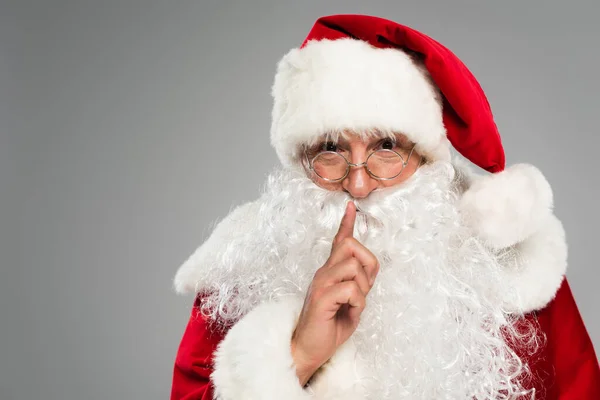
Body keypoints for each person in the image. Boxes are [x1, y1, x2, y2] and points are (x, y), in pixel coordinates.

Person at [170, 14, 600, 399]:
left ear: (428, 157)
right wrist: (297, 355)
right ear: (300, 161)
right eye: (330, 148)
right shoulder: (242, 269)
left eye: (388, 146)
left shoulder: (512, 270)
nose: (358, 184)